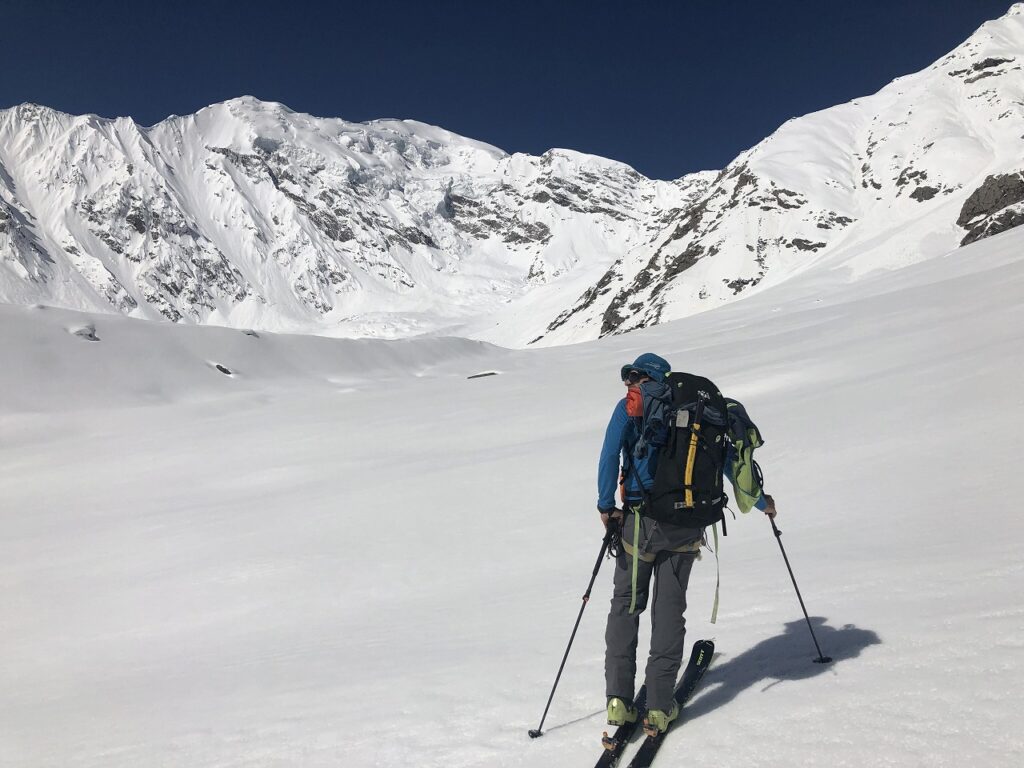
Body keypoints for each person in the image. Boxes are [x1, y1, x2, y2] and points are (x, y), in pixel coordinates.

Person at [597, 352, 777, 735]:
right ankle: (660, 707)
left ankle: (618, 700)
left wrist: (605, 506)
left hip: (639, 522)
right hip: (686, 525)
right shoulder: (700, 413)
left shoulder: (631, 407)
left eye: (633, 376)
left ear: (645, 379)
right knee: (669, 612)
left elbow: (610, 454)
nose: (629, 383)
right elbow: (729, 464)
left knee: (625, 606)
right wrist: (763, 503)